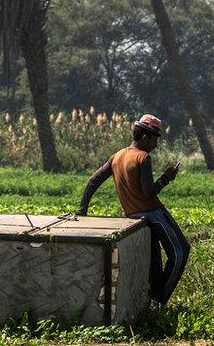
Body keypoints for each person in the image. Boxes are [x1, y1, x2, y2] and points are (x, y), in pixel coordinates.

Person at [75, 114, 190, 305]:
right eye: (154, 139)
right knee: (180, 252)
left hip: (133, 216)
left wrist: (82, 209)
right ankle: (159, 300)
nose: (155, 144)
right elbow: (148, 193)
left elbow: (93, 180)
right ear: (144, 137)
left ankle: (152, 300)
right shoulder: (143, 158)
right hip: (153, 213)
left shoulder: (117, 156)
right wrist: (166, 178)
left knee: (154, 261)